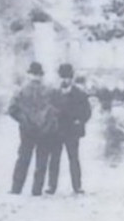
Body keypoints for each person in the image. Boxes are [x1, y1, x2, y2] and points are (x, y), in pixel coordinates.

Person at [7, 62, 56, 195]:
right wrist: (49, 123)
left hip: (27, 130)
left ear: (29, 75)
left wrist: (23, 120)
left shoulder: (21, 91)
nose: (36, 78)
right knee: (42, 159)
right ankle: (37, 190)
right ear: (41, 75)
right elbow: (56, 110)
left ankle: (16, 188)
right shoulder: (50, 90)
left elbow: (11, 110)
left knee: (23, 158)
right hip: (45, 130)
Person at [45, 63, 92, 195]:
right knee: (54, 158)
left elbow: (87, 111)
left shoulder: (80, 94)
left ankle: (77, 186)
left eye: (67, 77)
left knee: (74, 158)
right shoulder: (53, 93)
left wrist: (80, 120)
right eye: (62, 77)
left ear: (72, 78)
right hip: (56, 130)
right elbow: (48, 110)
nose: (65, 80)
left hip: (72, 131)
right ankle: (51, 186)